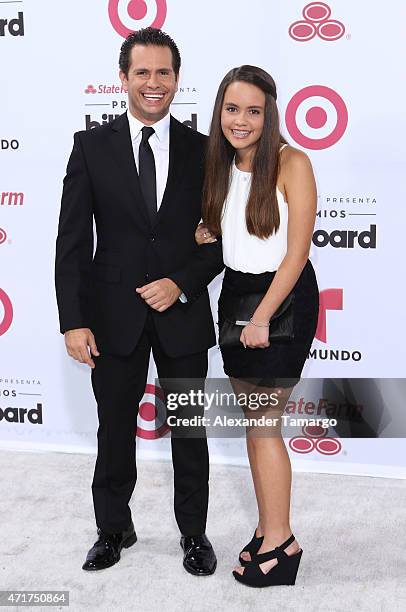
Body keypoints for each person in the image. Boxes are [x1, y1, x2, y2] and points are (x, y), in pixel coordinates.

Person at [55, 28, 223, 575]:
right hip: (112, 317)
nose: (154, 84)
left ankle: (194, 535)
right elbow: (73, 241)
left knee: (189, 432)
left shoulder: (205, 151)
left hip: (182, 315)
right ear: (123, 78)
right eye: (143, 73)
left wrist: (182, 281)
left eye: (164, 73)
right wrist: (74, 321)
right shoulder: (91, 147)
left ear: (178, 80)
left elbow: (224, 239)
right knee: (114, 429)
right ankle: (113, 529)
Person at [196, 65, 319, 587]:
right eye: (231, 108)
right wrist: (210, 231)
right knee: (254, 424)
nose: (240, 120)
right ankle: (270, 529)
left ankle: (282, 543)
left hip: (280, 301)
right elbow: (237, 233)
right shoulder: (222, 165)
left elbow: (295, 254)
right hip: (237, 296)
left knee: (266, 427)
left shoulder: (293, 162)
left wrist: (264, 317)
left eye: (253, 110)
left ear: (270, 114)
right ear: (219, 111)